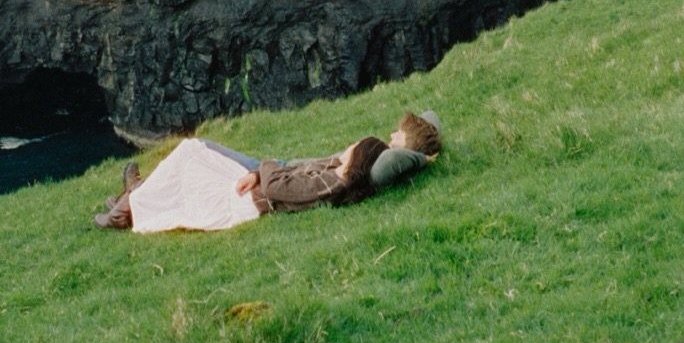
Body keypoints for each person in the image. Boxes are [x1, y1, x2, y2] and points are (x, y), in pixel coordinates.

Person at [93, 108, 441, 233]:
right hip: (262, 182)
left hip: (254, 194)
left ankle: (126, 207)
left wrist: (262, 170)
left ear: (357, 162)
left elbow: (278, 188)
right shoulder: (343, 172)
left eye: (350, 150)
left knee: (190, 154)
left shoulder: (331, 182)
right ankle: (134, 196)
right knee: (194, 152)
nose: (344, 149)